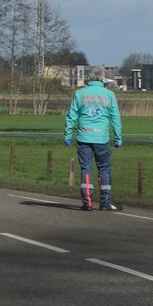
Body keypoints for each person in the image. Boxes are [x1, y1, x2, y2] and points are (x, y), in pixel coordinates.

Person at [63, 67, 123, 211]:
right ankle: (105, 202)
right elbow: (115, 118)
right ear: (102, 78)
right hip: (102, 138)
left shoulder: (80, 94)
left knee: (86, 168)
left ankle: (88, 201)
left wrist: (68, 134)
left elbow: (71, 116)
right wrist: (118, 137)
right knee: (104, 169)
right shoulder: (109, 95)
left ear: (89, 78)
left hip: (84, 137)